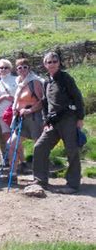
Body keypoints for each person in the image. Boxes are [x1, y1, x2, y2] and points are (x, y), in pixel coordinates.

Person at [30, 52, 85, 194]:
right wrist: (46, 120)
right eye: (49, 62)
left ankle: (72, 185)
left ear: (59, 63)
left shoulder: (66, 78)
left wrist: (80, 118)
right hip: (53, 123)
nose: (52, 64)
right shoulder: (47, 82)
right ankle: (40, 180)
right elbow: (45, 102)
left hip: (69, 119)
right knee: (40, 147)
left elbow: (77, 98)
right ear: (45, 65)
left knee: (71, 150)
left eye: (55, 61)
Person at [8, 58, 44, 178]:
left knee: (37, 145)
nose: (22, 69)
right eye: (19, 67)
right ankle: (13, 173)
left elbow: (42, 101)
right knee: (11, 143)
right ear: (16, 70)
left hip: (34, 117)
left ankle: (38, 175)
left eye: (25, 67)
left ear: (29, 68)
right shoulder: (19, 82)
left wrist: (30, 110)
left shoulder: (34, 82)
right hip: (20, 118)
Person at [0, 59, 18, 164]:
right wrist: (4, 97)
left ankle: (21, 161)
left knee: (16, 138)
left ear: (10, 68)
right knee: (7, 138)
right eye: (1, 68)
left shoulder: (17, 79)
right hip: (2, 114)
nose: (3, 70)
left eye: (6, 67)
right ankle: (13, 162)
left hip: (15, 112)